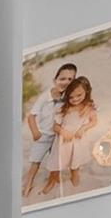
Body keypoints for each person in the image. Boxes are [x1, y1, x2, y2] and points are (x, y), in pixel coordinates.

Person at [22, 62, 76, 199]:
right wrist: (35, 132)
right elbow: (31, 116)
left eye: (70, 79)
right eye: (62, 78)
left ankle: (53, 180)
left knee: (55, 160)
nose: (66, 82)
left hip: (58, 136)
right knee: (35, 161)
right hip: (44, 135)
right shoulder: (45, 97)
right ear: (55, 80)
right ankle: (28, 183)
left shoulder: (69, 97)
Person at [41, 73, 98, 196]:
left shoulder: (88, 107)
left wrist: (84, 127)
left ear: (86, 92)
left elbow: (94, 121)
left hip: (77, 140)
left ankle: (75, 175)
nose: (75, 99)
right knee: (58, 161)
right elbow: (55, 126)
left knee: (75, 159)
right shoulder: (63, 108)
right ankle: (53, 179)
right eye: (71, 97)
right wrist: (63, 132)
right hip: (63, 141)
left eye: (79, 95)